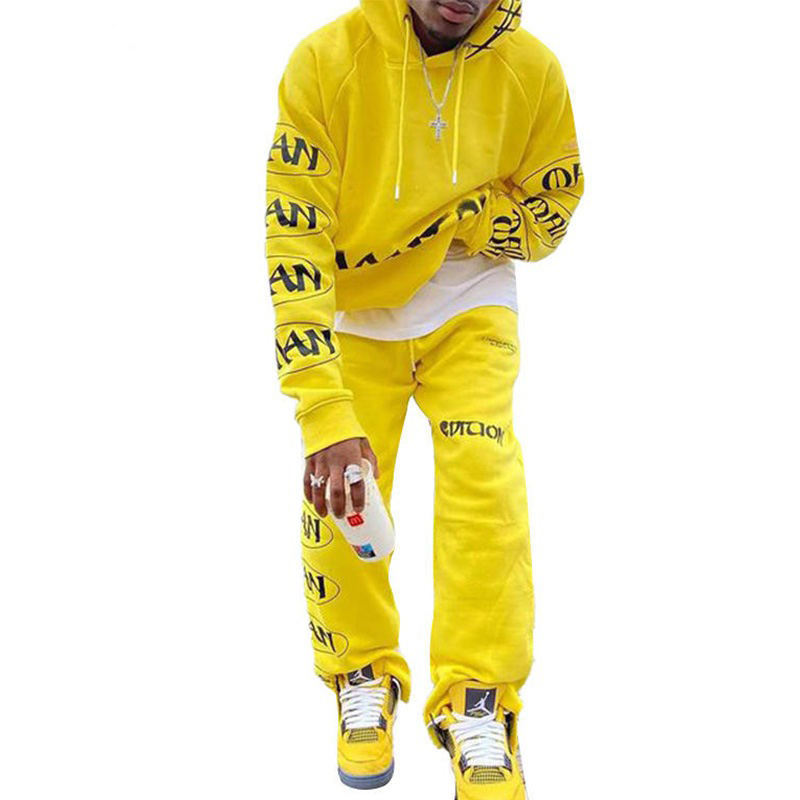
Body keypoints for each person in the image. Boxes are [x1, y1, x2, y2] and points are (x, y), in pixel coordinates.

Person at [266, 0, 583, 795]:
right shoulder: (325, 62)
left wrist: (470, 216)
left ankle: (479, 700)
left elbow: (551, 217)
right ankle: (361, 670)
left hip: (469, 298)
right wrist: (322, 414)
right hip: (357, 307)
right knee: (345, 490)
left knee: (485, 479)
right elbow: (293, 240)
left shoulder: (533, 71)